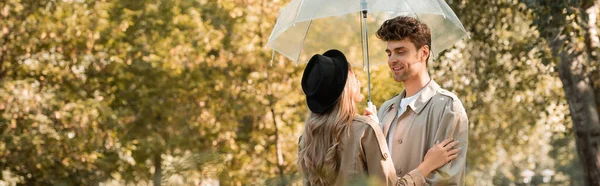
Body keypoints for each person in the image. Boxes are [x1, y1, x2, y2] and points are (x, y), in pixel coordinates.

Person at [297, 49, 460, 186]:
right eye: (353, 75)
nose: (358, 80)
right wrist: (428, 165)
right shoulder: (364, 130)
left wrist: (372, 129)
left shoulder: (307, 139)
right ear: (346, 87)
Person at [374, 16, 469, 185]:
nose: (392, 60)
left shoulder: (448, 108)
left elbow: (446, 180)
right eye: (389, 53)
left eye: (400, 51)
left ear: (424, 53)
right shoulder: (385, 110)